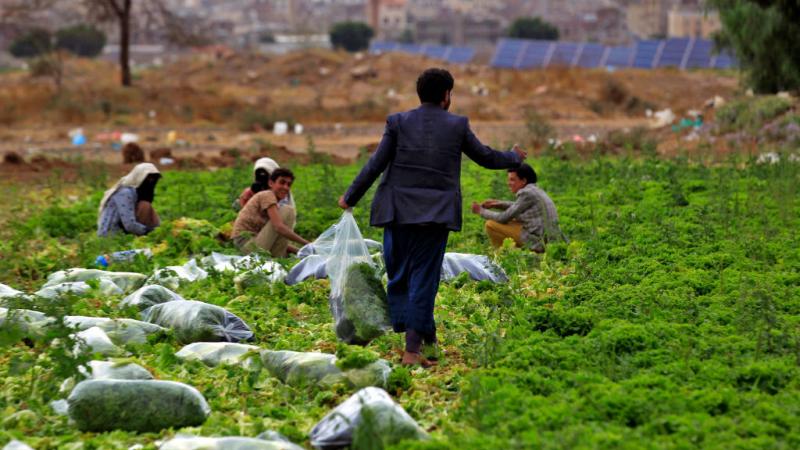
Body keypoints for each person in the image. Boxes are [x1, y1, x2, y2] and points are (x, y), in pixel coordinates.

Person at [338, 68, 526, 367]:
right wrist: (514, 157)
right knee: (423, 278)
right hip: (435, 216)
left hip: (397, 212)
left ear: (420, 93)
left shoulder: (397, 122)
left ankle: (424, 339)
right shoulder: (457, 125)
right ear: (446, 95)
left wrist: (350, 197)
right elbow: (487, 157)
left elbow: (375, 164)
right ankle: (414, 350)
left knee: (399, 276)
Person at [471, 163, 566, 253]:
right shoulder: (534, 190)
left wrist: (481, 211)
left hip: (538, 241)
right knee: (513, 221)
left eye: (512, 180)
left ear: (523, 180)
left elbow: (503, 218)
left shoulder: (526, 193)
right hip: (548, 239)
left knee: (491, 225)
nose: (509, 183)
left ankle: (505, 254)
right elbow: (518, 206)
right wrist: (497, 204)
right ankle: (516, 251)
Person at [232, 168, 310, 257]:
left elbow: (275, 238)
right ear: (271, 183)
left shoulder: (272, 203)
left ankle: (277, 260)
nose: (285, 187)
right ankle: (277, 258)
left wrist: (301, 252)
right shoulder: (268, 195)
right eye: (282, 182)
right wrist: (307, 244)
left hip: (253, 244)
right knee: (288, 211)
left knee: (284, 216)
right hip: (247, 245)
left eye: (289, 185)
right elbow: (279, 228)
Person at [97, 163, 161, 237]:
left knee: (146, 205)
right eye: (148, 178)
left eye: (153, 179)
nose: (151, 181)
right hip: (111, 235)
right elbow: (129, 225)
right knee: (145, 206)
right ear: (139, 178)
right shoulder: (125, 193)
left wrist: (160, 230)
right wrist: (149, 231)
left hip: (124, 233)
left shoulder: (138, 193)